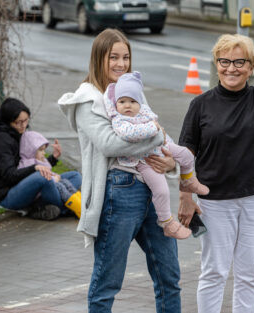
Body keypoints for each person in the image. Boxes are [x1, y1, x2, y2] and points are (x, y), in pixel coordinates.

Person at [178, 24, 254, 313]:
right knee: (214, 271)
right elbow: (185, 156)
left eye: (239, 62)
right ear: (216, 64)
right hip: (213, 201)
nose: (231, 68)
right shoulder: (200, 105)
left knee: (249, 274)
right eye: (224, 61)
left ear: (251, 67)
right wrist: (185, 197)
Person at [58, 28, 182, 313]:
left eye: (125, 57)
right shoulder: (87, 100)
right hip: (118, 193)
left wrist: (171, 162)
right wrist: (158, 137)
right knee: (107, 282)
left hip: (152, 190)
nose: (120, 64)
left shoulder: (130, 91)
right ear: (98, 58)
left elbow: (156, 133)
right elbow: (111, 144)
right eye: (113, 57)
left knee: (169, 277)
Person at [104, 70, 209, 239]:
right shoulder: (120, 120)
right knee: (162, 190)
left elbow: (162, 132)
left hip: (161, 148)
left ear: (140, 102)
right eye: (122, 101)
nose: (127, 105)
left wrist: (170, 149)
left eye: (132, 101)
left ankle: (189, 181)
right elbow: (130, 134)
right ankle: (167, 222)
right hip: (144, 160)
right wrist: (154, 128)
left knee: (187, 156)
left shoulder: (144, 112)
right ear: (116, 104)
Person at [0, 97, 82, 220]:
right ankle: (66, 209)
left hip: (23, 185)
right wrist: (35, 169)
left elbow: (28, 161)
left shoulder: (16, 133)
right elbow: (10, 176)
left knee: (75, 176)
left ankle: (39, 206)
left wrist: (53, 159)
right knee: (43, 177)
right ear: (8, 122)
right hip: (7, 195)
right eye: (18, 122)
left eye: (25, 121)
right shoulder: (0, 141)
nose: (23, 126)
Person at [18, 130, 82, 218]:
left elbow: (48, 172)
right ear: (30, 151)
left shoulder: (40, 160)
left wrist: (54, 175)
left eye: (44, 150)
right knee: (60, 186)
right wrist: (53, 179)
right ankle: (73, 207)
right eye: (41, 150)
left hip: (51, 188)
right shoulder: (27, 165)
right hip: (40, 195)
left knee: (75, 176)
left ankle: (75, 202)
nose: (44, 153)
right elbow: (39, 179)